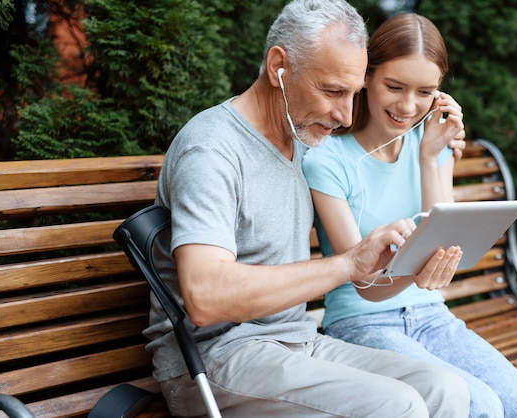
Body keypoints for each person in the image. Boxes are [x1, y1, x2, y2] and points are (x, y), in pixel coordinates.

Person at [144, 1, 471, 417]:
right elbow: (206, 297)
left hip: (297, 341)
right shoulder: (212, 149)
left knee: (444, 389)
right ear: (279, 65)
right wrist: (349, 264)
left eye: (353, 94)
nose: (345, 114)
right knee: (397, 405)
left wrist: (433, 162)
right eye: (333, 91)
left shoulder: (300, 141)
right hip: (214, 359)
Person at [302, 12, 517, 418]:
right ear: (367, 76)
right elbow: (363, 282)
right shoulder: (328, 161)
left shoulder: (432, 142)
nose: (407, 105)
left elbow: (443, 240)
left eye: (424, 92)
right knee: (481, 407)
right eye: (394, 87)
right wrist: (415, 272)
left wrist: (431, 157)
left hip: (433, 317)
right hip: (362, 325)